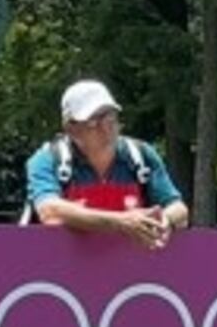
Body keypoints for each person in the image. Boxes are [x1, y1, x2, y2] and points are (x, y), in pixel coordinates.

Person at [24, 80, 188, 248]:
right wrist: (122, 222)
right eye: (93, 122)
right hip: (58, 268)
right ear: (70, 128)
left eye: (109, 117)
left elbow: (178, 209)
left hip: (131, 268)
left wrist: (163, 220)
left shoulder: (141, 156)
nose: (105, 129)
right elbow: (50, 211)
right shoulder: (48, 159)